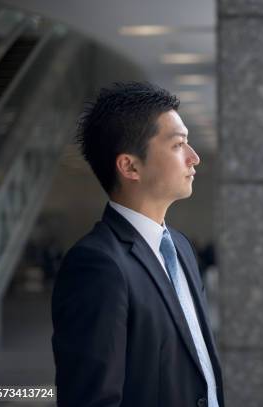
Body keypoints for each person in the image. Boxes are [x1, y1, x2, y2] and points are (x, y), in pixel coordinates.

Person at [51, 82, 222, 407]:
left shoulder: (181, 248)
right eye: (178, 145)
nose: (194, 157)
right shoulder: (97, 266)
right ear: (130, 166)